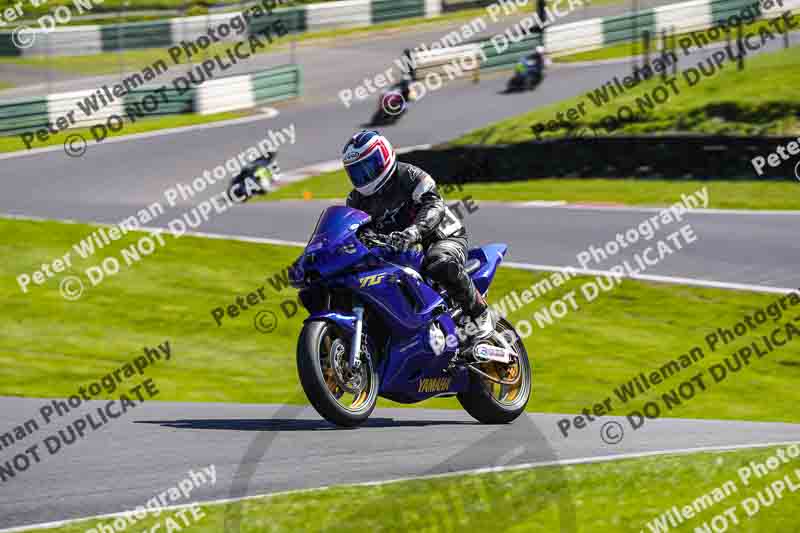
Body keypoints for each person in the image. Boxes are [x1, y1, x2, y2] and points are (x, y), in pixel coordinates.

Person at [341, 130, 495, 341]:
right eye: (356, 172)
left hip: (442, 237)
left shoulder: (411, 176)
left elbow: (434, 206)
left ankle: (479, 314)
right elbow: (354, 228)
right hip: (396, 250)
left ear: (384, 156)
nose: (363, 176)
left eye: (367, 167)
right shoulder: (355, 199)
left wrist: (414, 231)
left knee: (438, 262)